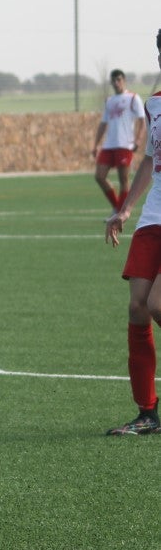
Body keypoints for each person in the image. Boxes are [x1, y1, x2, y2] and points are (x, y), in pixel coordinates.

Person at [103, 31, 161, 436]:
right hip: (155, 214)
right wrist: (125, 208)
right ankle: (147, 413)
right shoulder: (154, 100)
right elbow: (150, 160)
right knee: (138, 306)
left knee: (158, 302)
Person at [92, 69, 146, 213]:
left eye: (119, 80)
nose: (116, 83)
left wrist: (138, 140)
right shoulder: (109, 101)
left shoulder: (133, 98)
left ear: (124, 81)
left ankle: (121, 212)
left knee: (124, 180)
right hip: (109, 145)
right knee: (99, 176)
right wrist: (96, 144)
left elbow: (142, 120)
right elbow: (103, 124)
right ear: (111, 83)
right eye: (114, 81)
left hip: (125, 144)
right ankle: (117, 208)